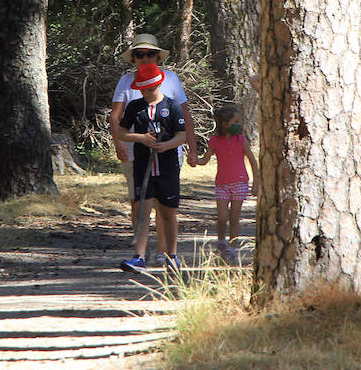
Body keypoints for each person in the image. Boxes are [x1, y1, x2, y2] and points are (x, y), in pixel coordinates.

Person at [110, 33, 196, 233]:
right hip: (135, 153)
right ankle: (141, 252)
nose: (145, 58)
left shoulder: (172, 79)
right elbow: (115, 116)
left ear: (158, 57)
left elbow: (185, 116)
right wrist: (119, 143)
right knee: (138, 203)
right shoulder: (126, 81)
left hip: (169, 152)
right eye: (140, 54)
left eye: (150, 54)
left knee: (164, 206)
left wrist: (193, 149)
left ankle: (163, 253)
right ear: (133, 58)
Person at [117, 63, 187, 273]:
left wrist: (166, 145)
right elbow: (121, 133)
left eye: (149, 89)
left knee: (168, 212)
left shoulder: (172, 106)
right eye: (142, 89)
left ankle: (172, 256)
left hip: (167, 167)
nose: (145, 93)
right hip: (142, 166)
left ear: (158, 85)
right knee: (142, 211)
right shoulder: (135, 107)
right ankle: (139, 257)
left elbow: (181, 135)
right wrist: (141, 138)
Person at [192, 102, 259, 259]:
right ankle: (221, 242)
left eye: (239, 122)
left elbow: (253, 161)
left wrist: (256, 183)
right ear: (224, 124)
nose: (238, 125)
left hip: (240, 183)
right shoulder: (215, 141)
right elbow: (205, 160)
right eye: (234, 122)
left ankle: (233, 248)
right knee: (222, 218)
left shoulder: (241, 140)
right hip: (222, 184)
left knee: (234, 218)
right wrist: (195, 161)